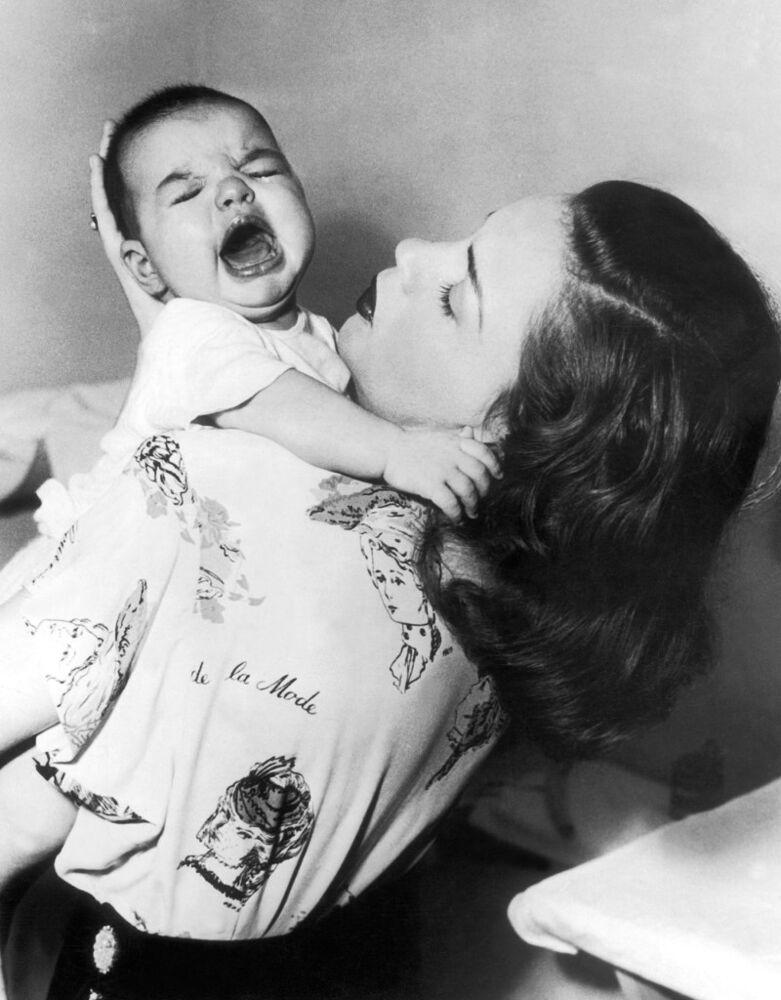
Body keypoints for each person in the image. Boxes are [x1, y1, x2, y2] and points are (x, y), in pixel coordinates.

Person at [0, 177, 778, 999]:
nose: (409, 256)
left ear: (515, 432)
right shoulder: (499, 603)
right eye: (460, 233)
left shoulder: (208, 488)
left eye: (454, 296)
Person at [27, 84, 498, 557]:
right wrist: (397, 449)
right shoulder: (189, 332)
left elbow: (342, 424)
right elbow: (280, 402)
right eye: (189, 193)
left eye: (260, 170)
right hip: (99, 564)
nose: (234, 191)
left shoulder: (319, 335)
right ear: (145, 267)